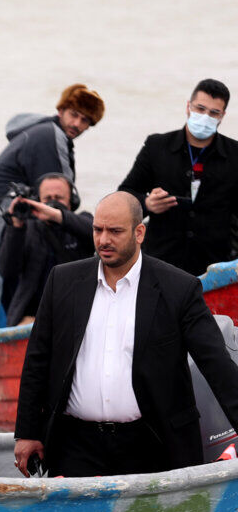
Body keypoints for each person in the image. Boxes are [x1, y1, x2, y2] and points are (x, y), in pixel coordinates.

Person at [14, 192, 238, 478]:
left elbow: (217, 365)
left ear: (139, 232)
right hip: (76, 445)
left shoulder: (179, 288)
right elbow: (37, 361)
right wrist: (27, 433)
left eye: (115, 231)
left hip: (152, 444)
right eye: (98, 229)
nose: (104, 240)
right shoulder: (62, 281)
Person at [0, 84, 106, 328]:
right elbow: (57, 197)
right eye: (74, 114)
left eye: (86, 121)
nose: (77, 124)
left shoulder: (41, 133)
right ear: (61, 109)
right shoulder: (51, 136)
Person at [118, 79, 238, 276]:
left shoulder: (235, 154)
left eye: (214, 113)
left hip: (213, 267)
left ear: (222, 116)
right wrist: (147, 203)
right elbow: (125, 193)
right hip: (161, 261)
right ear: (188, 107)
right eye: (200, 108)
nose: (206, 116)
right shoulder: (157, 146)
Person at [0, 174, 94, 325]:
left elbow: (94, 233)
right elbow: (7, 271)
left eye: (59, 198)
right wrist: (16, 226)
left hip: (76, 313)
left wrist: (57, 216)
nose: (53, 202)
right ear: (39, 201)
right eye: (48, 198)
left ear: (72, 201)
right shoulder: (27, 229)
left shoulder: (82, 223)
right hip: (33, 317)